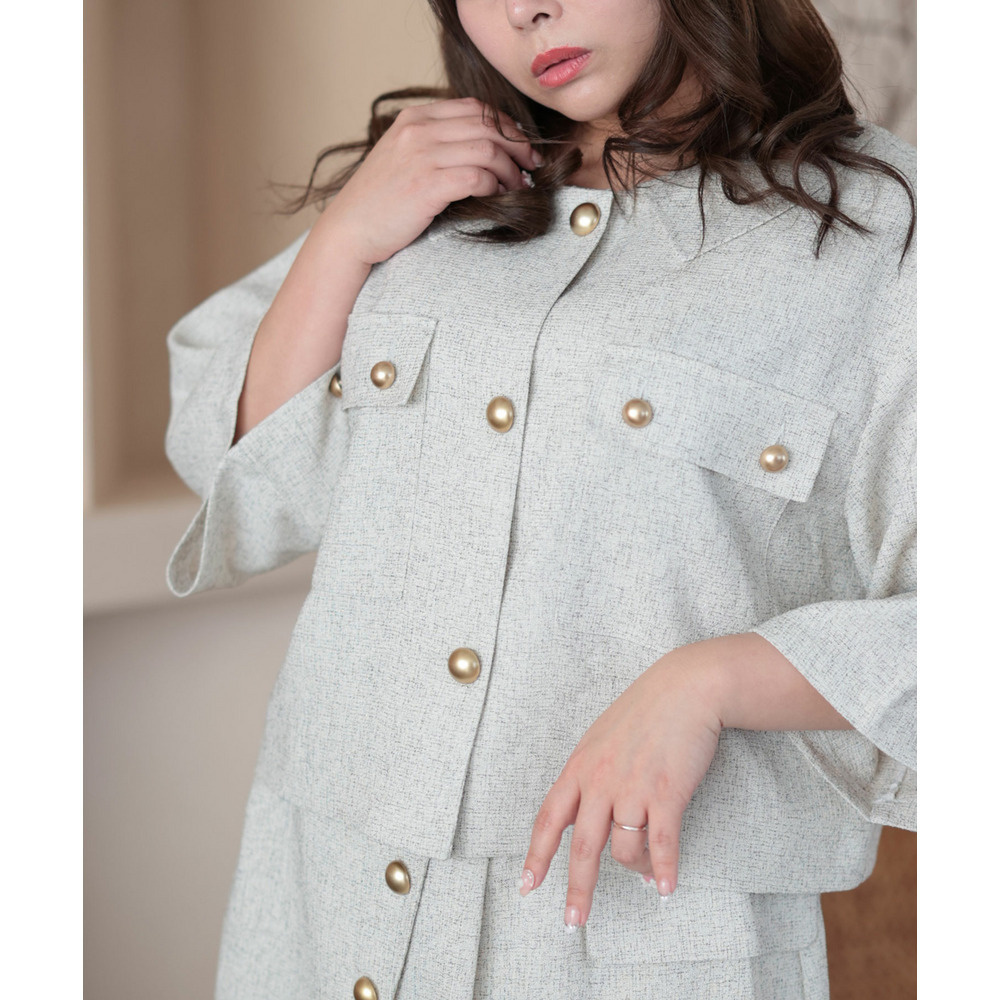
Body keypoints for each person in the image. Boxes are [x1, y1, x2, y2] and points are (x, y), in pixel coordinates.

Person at [164, 1, 916, 997]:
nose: (524, 10)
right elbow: (244, 477)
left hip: (633, 945)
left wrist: (713, 680)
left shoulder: (885, 236)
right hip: (324, 914)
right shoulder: (428, 187)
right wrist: (343, 238)